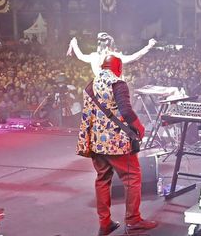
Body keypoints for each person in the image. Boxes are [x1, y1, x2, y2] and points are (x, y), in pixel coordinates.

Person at [76, 54, 158, 235]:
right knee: (133, 178)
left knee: (103, 180)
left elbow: (87, 115)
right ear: (118, 68)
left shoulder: (90, 85)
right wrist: (139, 127)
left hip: (96, 143)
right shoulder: (118, 84)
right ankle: (133, 220)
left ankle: (105, 223)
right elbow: (126, 111)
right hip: (117, 143)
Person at [68, 33, 156, 78]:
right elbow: (134, 57)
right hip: (112, 92)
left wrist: (74, 44)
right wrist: (149, 46)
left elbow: (80, 56)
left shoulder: (94, 56)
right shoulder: (114, 56)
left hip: (99, 90)